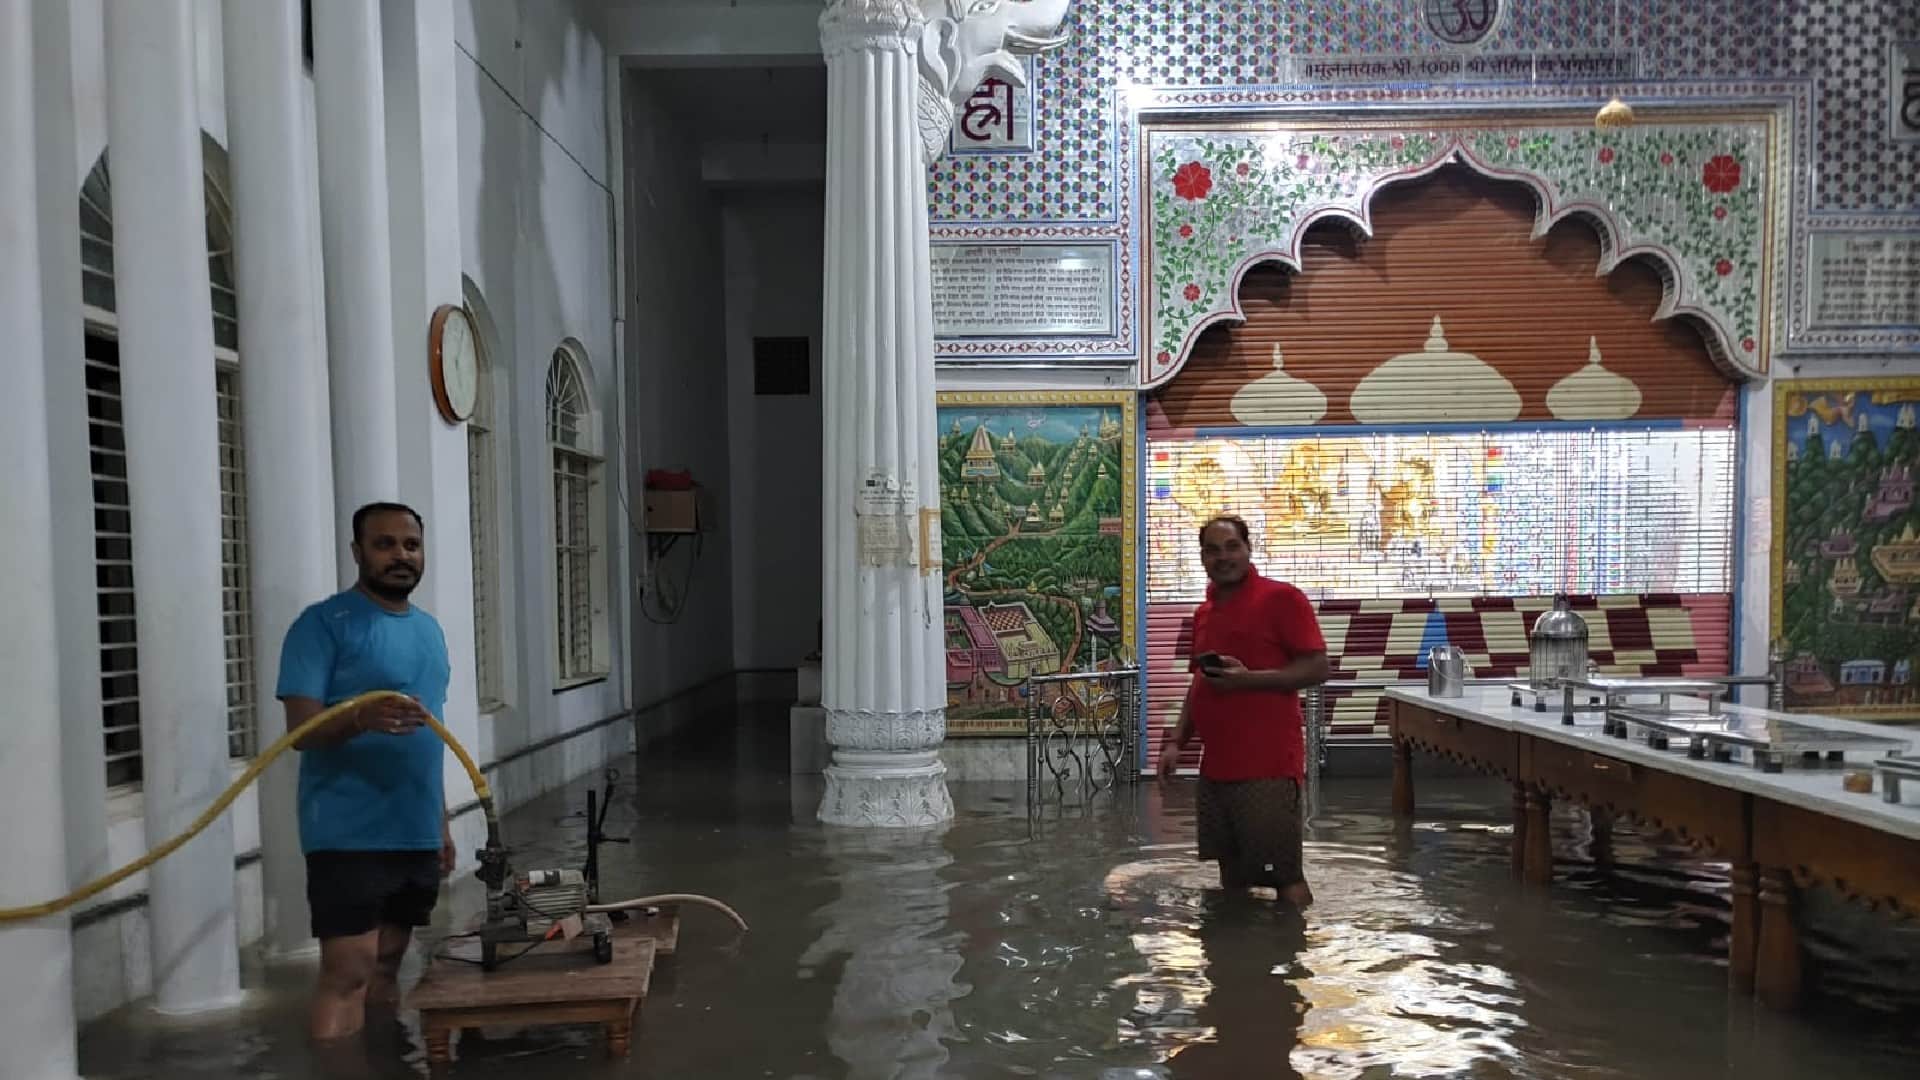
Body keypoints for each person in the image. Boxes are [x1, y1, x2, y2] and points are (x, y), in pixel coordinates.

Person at [277, 501, 455, 1041]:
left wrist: (441, 823)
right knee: (349, 971)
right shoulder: (322, 625)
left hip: (414, 827)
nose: (400, 555)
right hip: (347, 829)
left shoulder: (430, 631)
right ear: (358, 553)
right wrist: (358, 717)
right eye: (384, 544)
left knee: (387, 965)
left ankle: (383, 1060)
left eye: (410, 545)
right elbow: (300, 733)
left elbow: (434, 734)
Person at [1157, 514, 1330, 907]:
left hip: (1267, 768)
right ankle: (1235, 958)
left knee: (1285, 877)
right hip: (1216, 770)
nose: (1223, 557)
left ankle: (1290, 956)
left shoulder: (1282, 599)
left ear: (1250, 549)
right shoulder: (1205, 612)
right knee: (1231, 874)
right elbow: (1199, 682)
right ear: (1202, 558)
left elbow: (1318, 668)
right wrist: (1176, 743)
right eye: (1213, 550)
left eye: (1232, 546)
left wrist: (1248, 680)